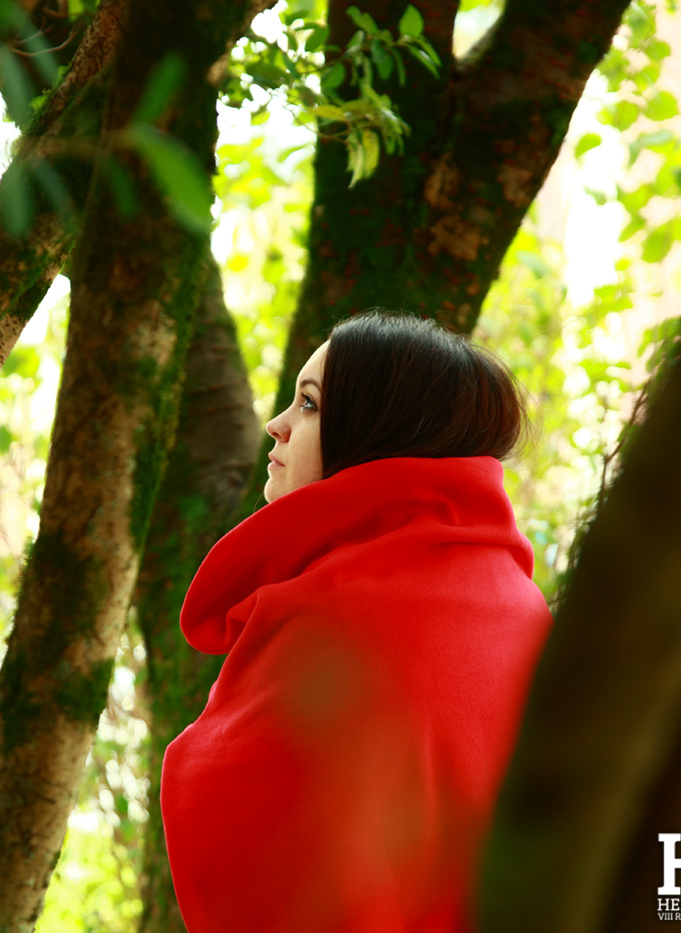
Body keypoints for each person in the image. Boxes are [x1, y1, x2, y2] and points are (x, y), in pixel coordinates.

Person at [159, 309, 554, 933]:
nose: (277, 425)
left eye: (309, 405)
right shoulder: (521, 603)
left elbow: (235, 800)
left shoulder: (335, 612)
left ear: (375, 433)